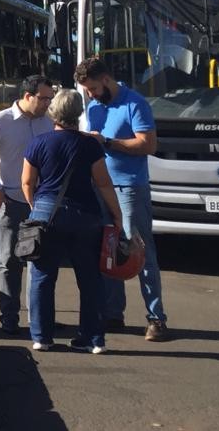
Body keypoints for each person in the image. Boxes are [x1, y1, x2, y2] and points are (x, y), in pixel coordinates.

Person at [22, 89, 125, 354]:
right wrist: (117, 214)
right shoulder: (89, 145)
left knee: (43, 276)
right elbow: (102, 182)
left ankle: (41, 336)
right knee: (90, 278)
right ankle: (92, 339)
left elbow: (27, 182)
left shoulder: (38, 142)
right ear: (79, 113)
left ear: (53, 112)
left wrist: (37, 208)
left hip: (47, 215)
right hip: (85, 216)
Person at [76, 56, 169, 342]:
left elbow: (148, 144)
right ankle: (113, 313)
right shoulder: (94, 107)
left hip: (129, 187)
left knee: (138, 248)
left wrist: (107, 142)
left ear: (105, 79)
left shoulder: (135, 103)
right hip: (101, 186)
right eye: (86, 91)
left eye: (92, 89)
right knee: (108, 249)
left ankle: (156, 318)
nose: (90, 95)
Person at [0, 75, 56, 334]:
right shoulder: (1, 121)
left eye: (50, 99)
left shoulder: (48, 122)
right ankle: (9, 318)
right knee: (10, 260)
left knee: (41, 260)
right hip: (11, 200)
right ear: (28, 96)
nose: (47, 104)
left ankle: (39, 318)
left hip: (42, 200)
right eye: (43, 99)